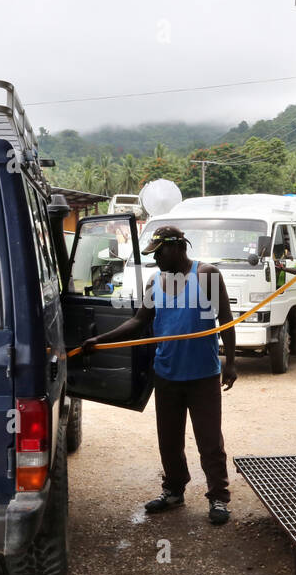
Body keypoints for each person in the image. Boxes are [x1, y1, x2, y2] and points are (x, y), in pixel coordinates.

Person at [80, 224, 238, 524]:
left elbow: (227, 319)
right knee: (169, 440)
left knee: (209, 441)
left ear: (177, 247)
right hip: (166, 375)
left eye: (159, 253)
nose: (156, 260)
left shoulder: (206, 275)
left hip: (202, 375)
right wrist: (100, 341)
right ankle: (174, 491)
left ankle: (218, 497)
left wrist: (231, 362)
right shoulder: (155, 282)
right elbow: (140, 321)